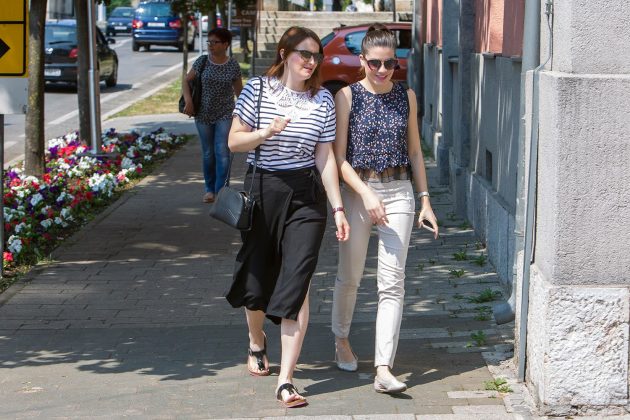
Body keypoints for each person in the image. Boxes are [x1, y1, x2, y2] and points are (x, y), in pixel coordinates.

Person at [225, 26, 350, 408]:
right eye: (304, 54)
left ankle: (286, 380)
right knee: (256, 278)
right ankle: (256, 341)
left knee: (298, 279)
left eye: (316, 56)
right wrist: (266, 131)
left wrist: (337, 207)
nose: (311, 62)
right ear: (284, 53)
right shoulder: (258, 90)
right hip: (264, 189)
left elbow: (324, 157)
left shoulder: (322, 100)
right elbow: (234, 141)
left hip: (305, 197)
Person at [331, 24, 439, 394]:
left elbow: (415, 152)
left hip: (399, 192)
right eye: (375, 63)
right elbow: (339, 159)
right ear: (362, 61)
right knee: (350, 275)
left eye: (389, 63)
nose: (382, 69)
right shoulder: (346, 96)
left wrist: (425, 200)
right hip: (358, 192)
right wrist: (366, 195)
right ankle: (341, 339)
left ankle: (383, 367)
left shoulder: (405, 96)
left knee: (392, 283)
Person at [182, 28, 243, 203]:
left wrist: (245, 113)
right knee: (208, 153)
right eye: (209, 42)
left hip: (225, 113)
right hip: (203, 114)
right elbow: (186, 80)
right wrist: (188, 101)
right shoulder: (202, 61)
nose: (211, 45)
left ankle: (221, 190)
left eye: (215, 42)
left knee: (222, 152)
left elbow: (240, 92)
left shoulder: (232, 65)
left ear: (226, 44)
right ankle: (209, 190)